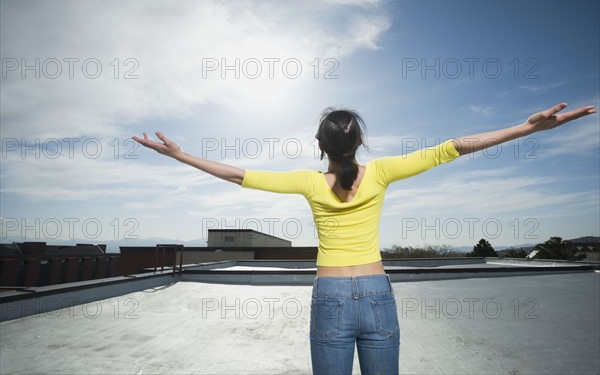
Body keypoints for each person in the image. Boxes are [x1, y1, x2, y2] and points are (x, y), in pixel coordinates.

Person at [133, 102, 595, 374]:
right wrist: (526, 128)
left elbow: (236, 174)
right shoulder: (383, 172)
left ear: (320, 146)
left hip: (331, 292)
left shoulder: (307, 182)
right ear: (359, 145)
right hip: (378, 293)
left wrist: (180, 155)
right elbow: (454, 146)